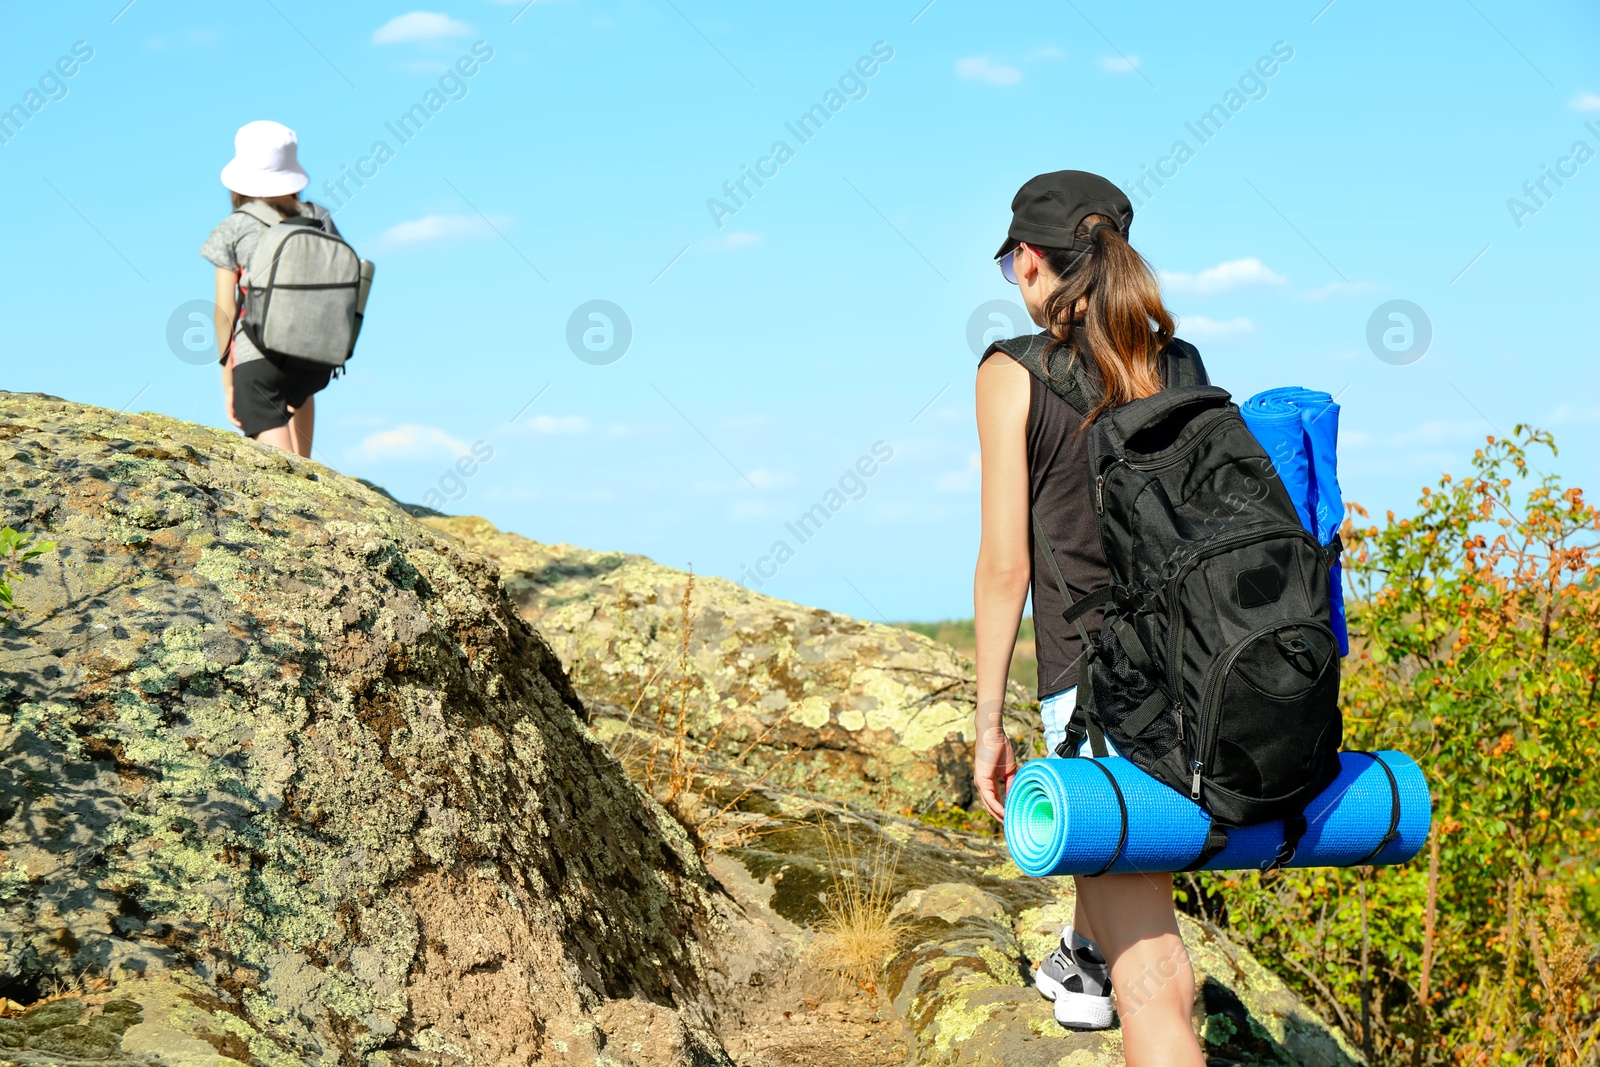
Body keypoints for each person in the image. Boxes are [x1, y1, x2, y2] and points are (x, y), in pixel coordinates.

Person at [971, 170, 1205, 1064]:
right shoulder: (1179, 365)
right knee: (1126, 903)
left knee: (1161, 984)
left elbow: (1006, 566)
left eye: (1011, 263)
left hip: (1100, 702)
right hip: (1198, 690)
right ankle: (1081, 960)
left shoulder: (1012, 372)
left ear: (1030, 261)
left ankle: (1113, 970)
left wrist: (990, 722)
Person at [200, 120, 339, 457]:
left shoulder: (234, 226)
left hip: (258, 359)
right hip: (315, 358)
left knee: (285, 476)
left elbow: (225, 310)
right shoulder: (319, 216)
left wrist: (228, 380)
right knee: (305, 464)